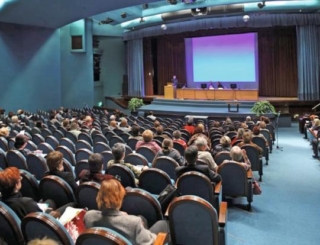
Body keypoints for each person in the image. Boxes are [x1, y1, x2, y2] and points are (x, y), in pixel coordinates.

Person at [84, 178, 169, 244]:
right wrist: (155, 237)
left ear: (99, 197)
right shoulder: (134, 222)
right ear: (120, 198)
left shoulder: (88, 216)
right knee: (163, 224)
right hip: (142, 237)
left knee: (141, 218)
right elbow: (150, 242)